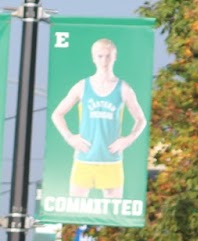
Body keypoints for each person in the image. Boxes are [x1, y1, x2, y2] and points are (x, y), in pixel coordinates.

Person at [50, 37, 148, 199]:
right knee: (75, 209)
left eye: (108, 56)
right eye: (100, 56)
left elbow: (141, 120)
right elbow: (57, 114)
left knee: (113, 213)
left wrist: (128, 139)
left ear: (114, 57)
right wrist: (69, 137)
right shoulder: (82, 86)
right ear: (93, 58)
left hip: (111, 159)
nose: (104, 61)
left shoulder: (123, 88)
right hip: (84, 158)